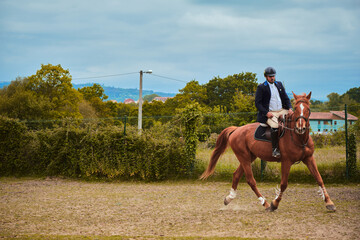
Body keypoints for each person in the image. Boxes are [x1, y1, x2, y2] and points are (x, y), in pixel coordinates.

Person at [255, 67, 293, 158]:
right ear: (266, 77)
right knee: (276, 126)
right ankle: (275, 149)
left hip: (282, 110)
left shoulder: (279, 84)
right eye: (270, 76)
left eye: (273, 76)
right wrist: (266, 113)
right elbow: (258, 103)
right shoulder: (261, 87)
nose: (272, 78)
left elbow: (286, 98)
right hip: (270, 113)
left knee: (295, 120)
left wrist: (290, 108)